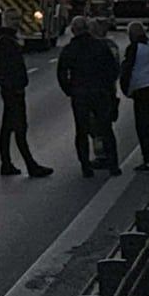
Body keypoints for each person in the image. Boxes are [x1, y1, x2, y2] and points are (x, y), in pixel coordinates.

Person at [57, 15, 122, 176]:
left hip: (80, 95)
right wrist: (108, 87)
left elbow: (61, 72)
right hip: (100, 92)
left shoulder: (69, 50)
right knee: (106, 129)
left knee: (82, 131)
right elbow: (112, 69)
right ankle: (113, 165)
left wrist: (69, 90)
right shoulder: (100, 46)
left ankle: (86, 167)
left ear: (73, 30)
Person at [0, 24, 53, 178]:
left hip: (9, 90)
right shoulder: (7, 43)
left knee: (8, 127)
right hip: (13, 91)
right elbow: (12, 68)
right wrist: (17, 86)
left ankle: (7, 163)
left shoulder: (3, 41)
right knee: (19, 127)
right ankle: (30, 165)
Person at [119, 21, 149, 172]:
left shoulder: (134, 48)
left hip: (143, 90)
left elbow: (127, 70)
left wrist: (126, 90)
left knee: (143, 126)